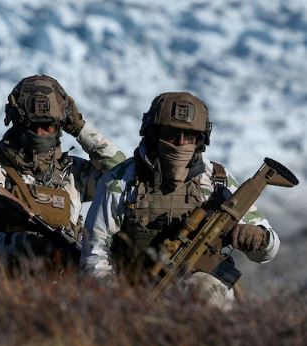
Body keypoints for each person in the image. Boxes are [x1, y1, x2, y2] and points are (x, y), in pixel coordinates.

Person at [81, 92, 279, 306]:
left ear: (200, 140)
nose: (181, 143)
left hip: (200, 292)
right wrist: (119, 303)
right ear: (153, 134)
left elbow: (269, 250)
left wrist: (260, 238)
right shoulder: (121, 182)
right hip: (136, 294)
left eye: (190, 136)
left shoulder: (216, 181)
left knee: (208, 290)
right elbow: (95, 256)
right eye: (171, 134)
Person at [0, 74, 126, 271]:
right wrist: (20, 244)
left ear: (61, 126)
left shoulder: (74, 174)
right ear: (17, 123)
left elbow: (123, 174)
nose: (41, 133)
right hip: (5, 288)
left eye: (48, 126)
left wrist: (80, 129)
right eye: (33, 126)